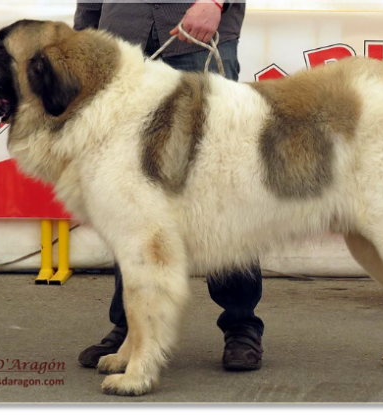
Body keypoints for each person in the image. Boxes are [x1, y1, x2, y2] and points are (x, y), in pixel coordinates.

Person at [73, 0, 264, 371]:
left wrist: (214, 3)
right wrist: (85, 35)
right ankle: (130, 329)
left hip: (202, 34)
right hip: (119, 43)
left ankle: (241, 324)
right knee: (126, 196)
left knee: (222, 187)